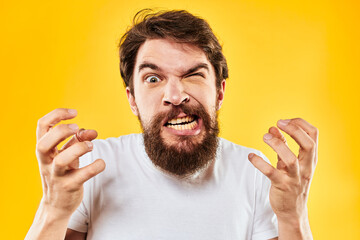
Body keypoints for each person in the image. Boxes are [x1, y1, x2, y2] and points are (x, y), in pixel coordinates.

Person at [26, 10, 318, 240]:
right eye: (153, 79)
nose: (175, 96)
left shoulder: (252, 174)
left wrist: (294, 215)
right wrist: (54, 210)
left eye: (193, 75)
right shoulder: (92, 166)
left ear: (219, 93)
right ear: (133, 100)